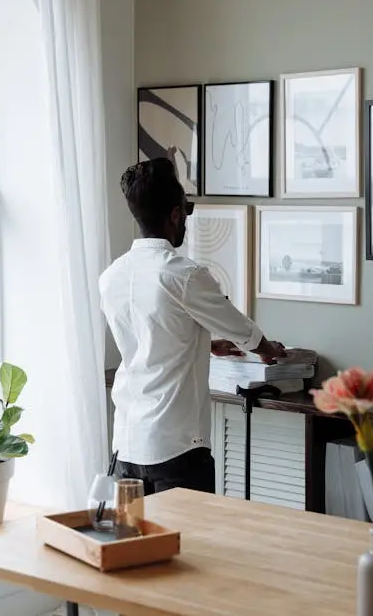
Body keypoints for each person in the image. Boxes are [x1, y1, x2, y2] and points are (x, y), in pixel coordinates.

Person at [99, 157, 286, 495]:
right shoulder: (184, 274)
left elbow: (151, 334)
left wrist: (204, 342)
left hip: (127, 443)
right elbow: (240, 328)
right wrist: (268, 350)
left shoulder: (112, 276)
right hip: (176, 447)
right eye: (185, 212)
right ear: (174, 215)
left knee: (137, 546)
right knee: (190, 544)